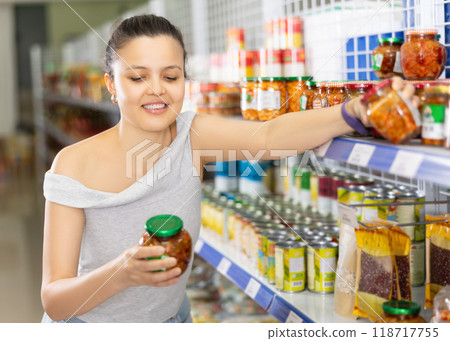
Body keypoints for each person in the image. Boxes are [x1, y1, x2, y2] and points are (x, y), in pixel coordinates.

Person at [41, 14, 417, 323]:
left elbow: (268, 136)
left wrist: (355, 111)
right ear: (110, 84)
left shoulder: (191, 135)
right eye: (137, 77)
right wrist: (121, 273)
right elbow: (54, 300)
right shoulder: (73, 164)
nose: (156, 89)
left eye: (170, 76)